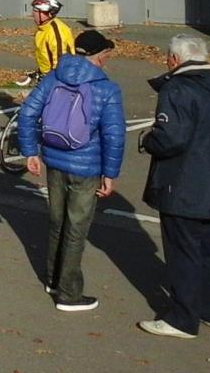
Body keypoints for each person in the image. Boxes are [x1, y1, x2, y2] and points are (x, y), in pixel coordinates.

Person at [136, 35, 210, 339]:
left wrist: (148, 139)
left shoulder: (178, 87)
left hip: (183, 182)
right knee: (207, 245)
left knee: (183, 250)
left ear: (174, 59)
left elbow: (171, 137)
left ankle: (182, 319)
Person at [17, 30, 126, 313]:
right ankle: (68, 293)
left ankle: (52, 279)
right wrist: (110, 173)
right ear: (99, 57)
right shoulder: (107, 88)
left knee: (56, 221)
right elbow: (114, 134)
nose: (106, 61)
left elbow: (27, 112)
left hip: (54, 159)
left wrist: (30, 151)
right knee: (76, 228)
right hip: (86, 166)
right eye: (106, 56)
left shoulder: (54, 76)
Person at [18, 0, 75, 87]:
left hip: (59, 81)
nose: (33, 14)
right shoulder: (43, 29)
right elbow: (47, 59)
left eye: (36, 11)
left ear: (48, 13)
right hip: (48, 79)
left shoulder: (56, 31)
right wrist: (38, 73)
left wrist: (54, 83)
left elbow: (61, 61)